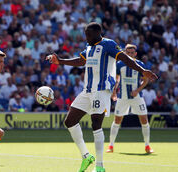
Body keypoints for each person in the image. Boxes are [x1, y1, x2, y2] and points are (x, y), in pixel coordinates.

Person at [46, 22, 157, 172]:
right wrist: (60, 61)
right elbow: (80, 61)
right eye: (85, 34)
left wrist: (142, 70)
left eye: (88, 34)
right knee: (70, 121)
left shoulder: (108, 44)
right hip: (87, 90)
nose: (86, 37)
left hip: (102, 90)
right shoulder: (89, 47)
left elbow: (124, 58)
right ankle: (86, 156)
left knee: (95, 123)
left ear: (97, 33)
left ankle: (99, 166)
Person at [106, 44, 154, 154]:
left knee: (144, 119)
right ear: (125, 53)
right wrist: (114, 92)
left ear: (135, 54)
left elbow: (145, 80)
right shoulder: (119, 65)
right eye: (128, 52)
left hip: (137, 97)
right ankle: (111, 145)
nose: (130, 54)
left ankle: (147, 146)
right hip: (123, 97)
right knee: (117, 120)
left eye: (132, 52)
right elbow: (117, 80)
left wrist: (137, 90)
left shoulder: (140, 64)